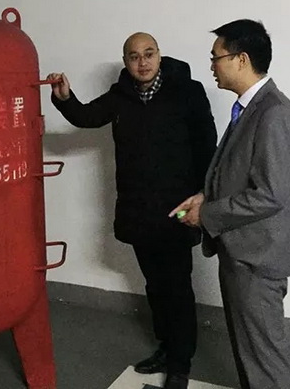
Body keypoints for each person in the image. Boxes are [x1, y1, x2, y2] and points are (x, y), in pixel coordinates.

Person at [47, 32, 217, 389]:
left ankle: (180, 363)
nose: (142, 62)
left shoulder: (187, 91)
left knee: (177, 288)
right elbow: (87, 116)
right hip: (139, 211)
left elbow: (207, 146)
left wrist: (203, 196)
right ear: (126, 61)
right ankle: (166, 348)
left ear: (160, 56)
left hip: (178, 209)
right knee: (154, 286)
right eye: (134, 56)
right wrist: (64, 97)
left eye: (148, 54)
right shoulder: (120, 94)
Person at [171, 19, 290, 389]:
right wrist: (206, 195)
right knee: (251, 354)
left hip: (257, 258)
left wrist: (207, 214)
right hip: (242, 251)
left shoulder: (274, 113)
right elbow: (238, 170)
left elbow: (271, 194)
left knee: (267, 362)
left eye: (217, 57)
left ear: (241, 59)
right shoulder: (250, 108)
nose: (212, 65)